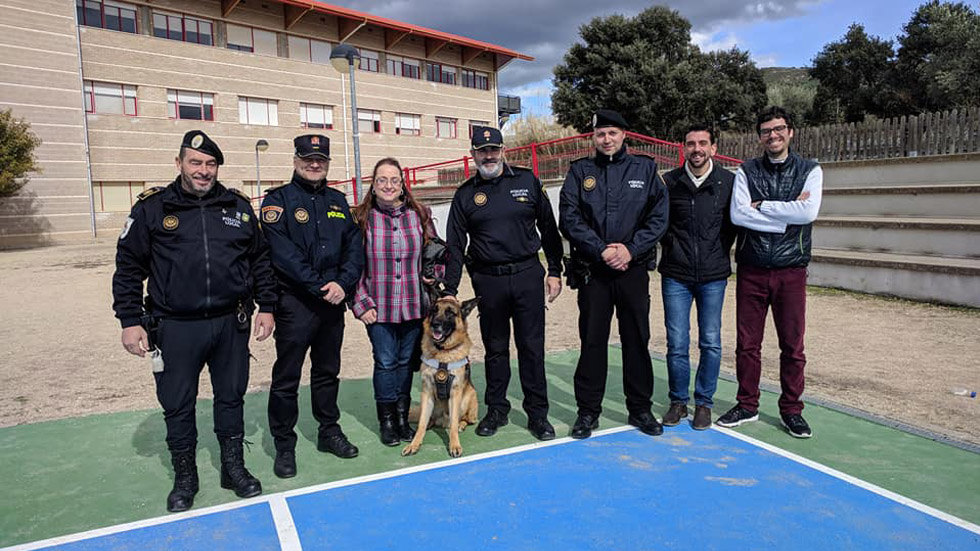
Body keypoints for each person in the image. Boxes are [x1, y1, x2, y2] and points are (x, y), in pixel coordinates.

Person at [112, 130, 276, 512]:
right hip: (175, 326)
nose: (203, 170)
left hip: (230, 322)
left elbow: (260, 260)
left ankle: (233, 468)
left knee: (231, 397)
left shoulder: (237, 207)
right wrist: (129, 320)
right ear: (179, 164)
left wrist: (267, 305)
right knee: (178, 403)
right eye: (195, 162)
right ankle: (185, 476)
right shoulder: (153, 208)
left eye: (210, 164)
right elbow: (129, 266)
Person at [444, 126, 564, 441]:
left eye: (493, 150)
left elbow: (549, 228)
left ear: (503, 151)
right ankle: (496, 410)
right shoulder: (465, 194)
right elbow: (455, 244)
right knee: (495, 349)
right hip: (488, 281)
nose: (488, 156)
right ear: (473, 155)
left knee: (531, 348)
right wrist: (450, 289)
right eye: (482, 151)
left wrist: (554, 269)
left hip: (527, 276)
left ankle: (538, 414)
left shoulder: (527, 181)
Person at [559, 109, 669, 439]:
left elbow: (659, 217)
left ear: (624, 135)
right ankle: (587, 412)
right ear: (593, 137)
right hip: (594, 271)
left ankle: (640, 408)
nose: (607, 139)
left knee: (637, 340)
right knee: (592, 341)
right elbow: (569, 217)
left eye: (612, 133)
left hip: (632, 271)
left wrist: (630, 250)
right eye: (600, 134)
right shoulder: (580, 171)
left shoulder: (645, 169)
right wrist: (602, 250)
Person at [261, 135, 364, 478]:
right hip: (296, 303)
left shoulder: (338, 201)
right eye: (308, 158)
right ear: (295, 160)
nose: (315, 164)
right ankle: (284, 444)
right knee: (287, 377)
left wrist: (343, 284)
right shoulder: (278, 201)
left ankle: (328, 431)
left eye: (321, 159)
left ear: (328, 163)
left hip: (333, 302)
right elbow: (283, 255)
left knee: (327, 372)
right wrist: (321, 286)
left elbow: (354, 248)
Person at [716, 106, 822, 439]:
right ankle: (747, 404)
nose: (772, 135)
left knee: (793, 346)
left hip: (791, 269)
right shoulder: (746, 171)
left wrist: (763, 206)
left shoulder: (810, 170)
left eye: (778, 129)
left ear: (790, 132)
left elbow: (808, 213)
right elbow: (739, 215)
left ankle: (792, 410)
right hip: (752, 267)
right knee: (747, 344)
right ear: (759, 137)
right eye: (766, 131)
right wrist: (785, 218)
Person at [351, 158, 438, 446]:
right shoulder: (361, 219)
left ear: (402, 185)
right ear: (373, 185)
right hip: (378, 307)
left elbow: (437, 253)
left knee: (404, 363)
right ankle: (387, 420)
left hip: (413, 304)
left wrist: (432, 273)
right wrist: (361, 303)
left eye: (394, 180)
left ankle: (402, 417)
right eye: (382, 180)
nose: (388, 185)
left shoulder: (419, 215)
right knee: (386, 362)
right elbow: (352, 265)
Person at [658, 124, 736, 430]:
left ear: (713, 148)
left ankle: (704, 403)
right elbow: (660, 224)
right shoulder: (669, 182)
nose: (697, 149)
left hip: (713, 275)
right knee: (677, 342)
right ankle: (678, 401)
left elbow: (733, 225)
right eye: (691, 144)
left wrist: (717, 251)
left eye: (703, 143)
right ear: (684, 148)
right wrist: (674, 248)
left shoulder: (729, 182)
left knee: (711, 341)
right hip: (676, 274)